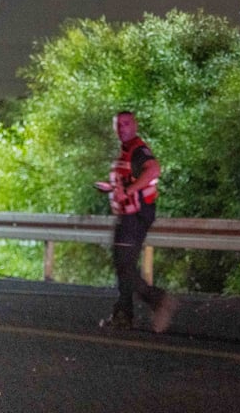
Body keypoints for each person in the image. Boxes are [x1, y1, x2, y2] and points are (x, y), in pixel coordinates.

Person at [98, 111, 178, 332]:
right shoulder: (125, 152)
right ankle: (123, 315)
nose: (121, 129)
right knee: (123, 264)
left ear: (135, 125)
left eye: (125, 124)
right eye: (118, 125)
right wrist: (112, 188)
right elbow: (128, 180)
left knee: (124, 265)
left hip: (135, 215)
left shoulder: (137, 149)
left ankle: (157, 300)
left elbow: (153, 169)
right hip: (129, 214)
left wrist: (131, 190)